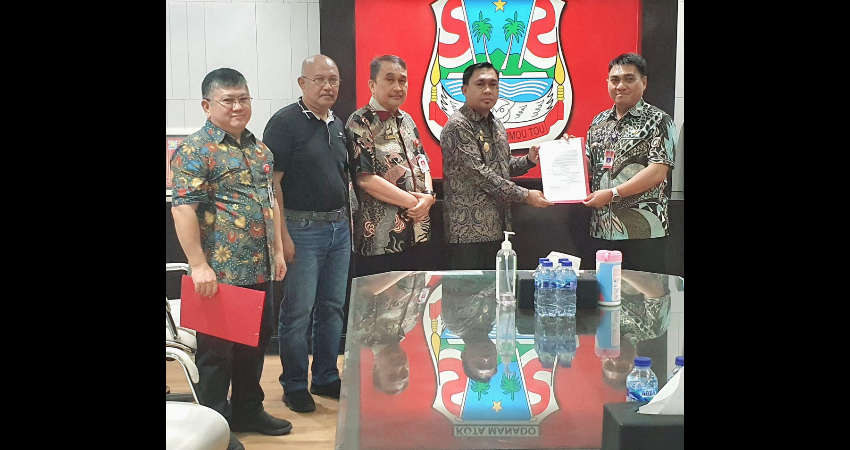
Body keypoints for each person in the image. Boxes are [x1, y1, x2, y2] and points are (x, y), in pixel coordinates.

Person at [170, 68, 292, 450]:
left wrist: (277, 250)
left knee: (254, 347)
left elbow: (270, 203)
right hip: (218, 273)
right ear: (207, 106)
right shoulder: (194, 150)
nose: (238, 107)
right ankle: (212, 426)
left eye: (243, 99)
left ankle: (247, 410)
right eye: (228, 100)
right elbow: (183, 209)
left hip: (259, 268)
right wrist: (198, 265)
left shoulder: (260, 150)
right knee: (216, 356)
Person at [262, 55, 353, 413]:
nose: (328, 86)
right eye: (319, 79)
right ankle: (295, 384)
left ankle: (326, 377)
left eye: (334, 79)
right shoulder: (284, 123)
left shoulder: (337, 123)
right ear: (302, 83)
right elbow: (273, 185)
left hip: (338, 229)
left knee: (332, 307)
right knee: (298, 311)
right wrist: (282, 237)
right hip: (301, 229)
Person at [440, 62, 553, 270]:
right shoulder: (458, 126)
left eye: (493, 84)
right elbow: (480, 174)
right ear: (464, 90)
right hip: (468, 232)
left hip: (499, 228)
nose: (488, 90)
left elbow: (501, 167)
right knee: (469, 290)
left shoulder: (496, 124)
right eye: (480, 84)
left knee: (498, 287)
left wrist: (528, 160)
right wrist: (526, 195)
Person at [582, 53, 677, 274]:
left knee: (645, 293)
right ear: (607, 83)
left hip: (644, 232)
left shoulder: (659, 120)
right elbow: (589, 165)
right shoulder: (598, 122)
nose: (620, 86)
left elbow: (658, 171)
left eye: (629, 79)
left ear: (644, 82)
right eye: (614, 80)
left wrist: (613, 193)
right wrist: (567, 154)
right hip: (602, 229)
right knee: (604, 292)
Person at [346, 55, 436, 277]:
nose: (398, 87)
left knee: (416, 294)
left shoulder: (407, 120)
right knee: (380, 299)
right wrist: (414, 203)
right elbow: (365, 179)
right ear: (372, 85)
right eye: (390, 79)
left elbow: (423, 163)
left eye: (402, 80)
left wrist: (429, 197)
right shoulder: (360, 121)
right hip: (380, 239)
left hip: (418, 232)